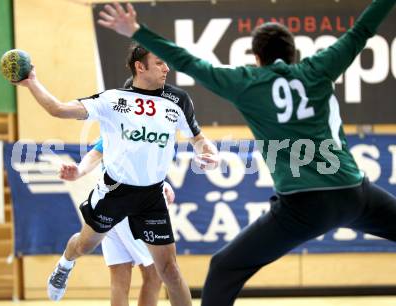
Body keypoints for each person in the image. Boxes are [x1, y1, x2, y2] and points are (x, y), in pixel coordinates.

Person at [97, 1, 396, 306]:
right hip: (354, 193)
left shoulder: (247, 83)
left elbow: (188, 62)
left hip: (303, 206)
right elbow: (362, 30)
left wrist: (136, 30)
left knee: (224, 268)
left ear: (257, 58)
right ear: (294, 53)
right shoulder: (319, 68)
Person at [14, 43, 219, 306]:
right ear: (140, 66)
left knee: (168, 271)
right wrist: (32, 82)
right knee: (85, 246)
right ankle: (65, 264)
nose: (167, 68)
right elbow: (58, 109)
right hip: (114, 193)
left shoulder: (178, 101)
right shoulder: (112, 101)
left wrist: (211, 156)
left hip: (152, 197)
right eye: (159, 63)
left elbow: (199, 139)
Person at [60, 138, 175, 306]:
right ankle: (65, 262)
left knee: (119, 276)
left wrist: (162, 184)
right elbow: (98, 153)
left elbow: (147, 165)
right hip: (127, 204)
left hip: (115, 202)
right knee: (154, 273)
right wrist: (79, 170)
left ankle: (65, 262)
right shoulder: (126, 120)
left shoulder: (160, 125)